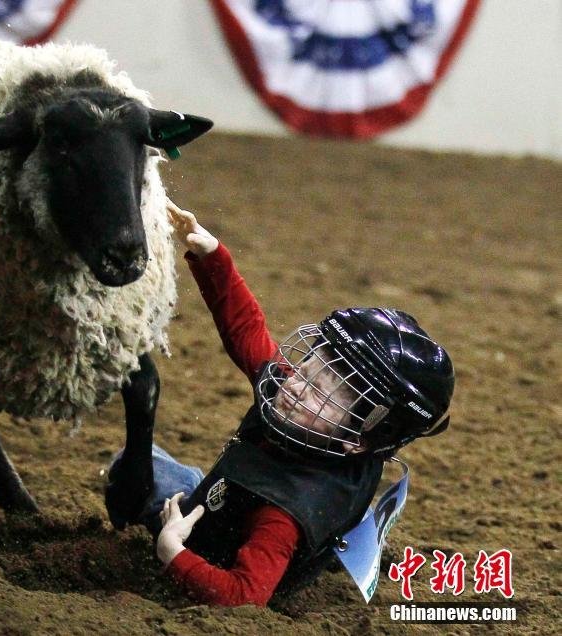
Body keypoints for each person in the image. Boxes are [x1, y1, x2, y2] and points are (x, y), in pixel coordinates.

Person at [106, 200, 455, 607]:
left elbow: (245, 597)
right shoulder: (316, 416)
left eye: (322, 393)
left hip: (215, 553)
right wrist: (214, 257)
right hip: (242, 508)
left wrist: (172, 552)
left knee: (133, 468)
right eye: (307, 369)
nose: (297, 387)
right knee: (155, 463)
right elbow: (246, 332)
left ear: (364, 435)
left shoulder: (285, 515)